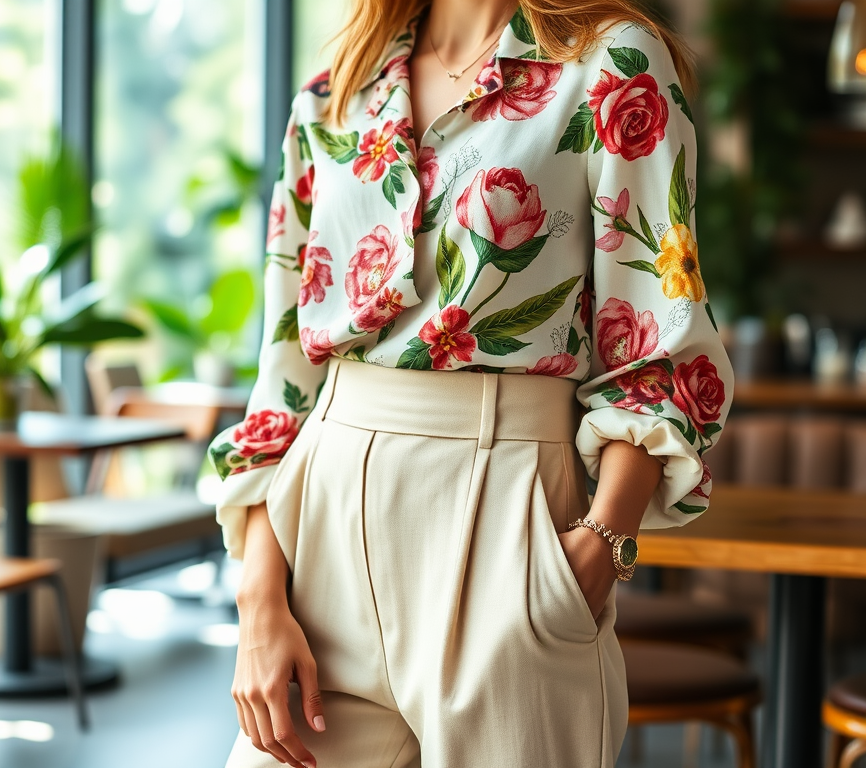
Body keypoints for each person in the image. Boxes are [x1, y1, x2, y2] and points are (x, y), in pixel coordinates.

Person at [206, 0, 732, 765]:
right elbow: (284, 372)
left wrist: (603, 540)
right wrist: (259, 599)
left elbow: (657, 330)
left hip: (508, 519)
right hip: (323, 528)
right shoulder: (337, 88)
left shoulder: (612, 61)